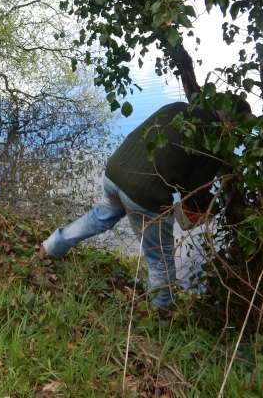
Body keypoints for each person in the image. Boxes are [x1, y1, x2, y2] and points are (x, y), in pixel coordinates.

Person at [40, 98, 250, 309]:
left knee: (98, 218)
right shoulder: (214, 137)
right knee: (160, 257)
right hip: (145, 192)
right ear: (231, 122)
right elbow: (194, 188)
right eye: (237, 127)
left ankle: (50, 247)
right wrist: (208, 207)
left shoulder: (177, 107)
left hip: (115, 172)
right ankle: (162, 310)